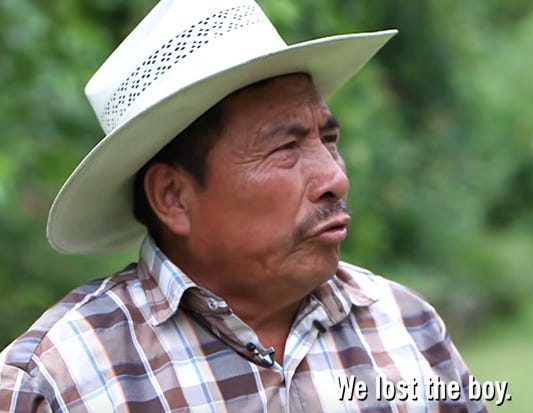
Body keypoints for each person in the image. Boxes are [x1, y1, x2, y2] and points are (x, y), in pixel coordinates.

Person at [0, 0, 487, 411]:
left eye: (329, 138)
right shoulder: (59, 381)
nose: (335, 178)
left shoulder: (406, 324)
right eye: (285, 149)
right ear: (172, 197)